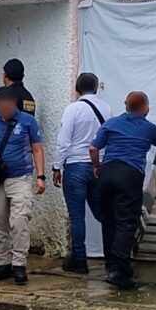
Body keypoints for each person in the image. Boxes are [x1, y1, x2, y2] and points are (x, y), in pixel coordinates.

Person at [90, 91, 156, 290]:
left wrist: (97, 167)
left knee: (108, 220)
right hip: (129, 175)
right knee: (126, 222)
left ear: (125, 104)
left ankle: (110, 264)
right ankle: (119, 270)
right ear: (146, 108)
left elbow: (93, 149)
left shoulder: (111, 124)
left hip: (107, 173)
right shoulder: (148, 128)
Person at [0, 86, 47, 286]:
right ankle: (3, 261)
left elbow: (37, 149)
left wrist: (40, 176)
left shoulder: (28, 121)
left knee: (19, 220)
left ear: (14, 103)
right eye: (1, 105)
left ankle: (19, 263)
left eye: (8, 105)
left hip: (21, 177)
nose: (5, 108)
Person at [53, 72, 113, 274]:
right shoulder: (106, 108)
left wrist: (56, 167)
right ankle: (112, 257)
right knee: (104, 214)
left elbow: (63, 141)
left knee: (77, 217)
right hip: (98, 167)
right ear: (97, 88)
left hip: (76, 167)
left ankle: (79, 260)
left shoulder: (73, 109)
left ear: (77, 89)